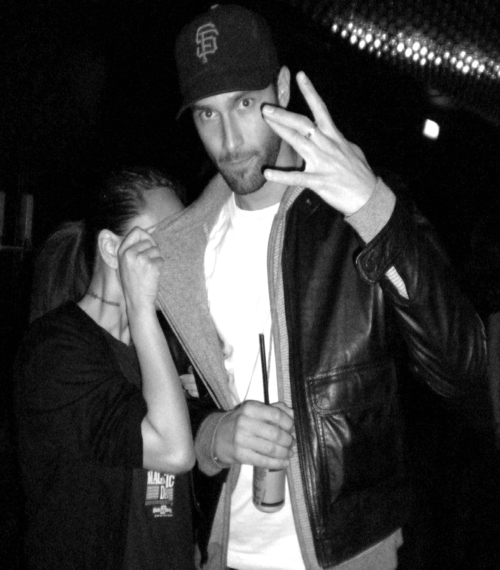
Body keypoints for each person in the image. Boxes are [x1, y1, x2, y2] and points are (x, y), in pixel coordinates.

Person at [153, 5, 496, 570]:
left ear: (283, 88)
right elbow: (166, 398)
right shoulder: (183, 249)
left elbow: (464, 368)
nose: (230, 140)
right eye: (207, 114)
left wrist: (375, 210)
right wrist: (213, 433)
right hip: (222, 552)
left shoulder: (358, 215)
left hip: (350, 552)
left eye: (245, 103)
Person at [14, 167, 197, 570]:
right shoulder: (55, 350)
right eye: (163, 239)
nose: (177, 256)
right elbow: (173, 451)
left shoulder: (161, 343)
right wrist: (141, 307)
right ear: (113, 249)